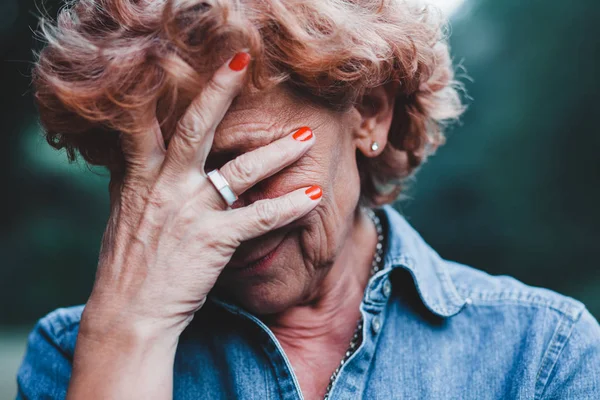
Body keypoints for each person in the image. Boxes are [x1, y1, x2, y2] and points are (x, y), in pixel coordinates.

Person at [16, 0, 600, 399]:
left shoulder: (539, 354)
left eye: (247, 164)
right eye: (166, 186)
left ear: (370, 112)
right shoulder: (72, 357)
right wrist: (130, 331)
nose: (219, 216)